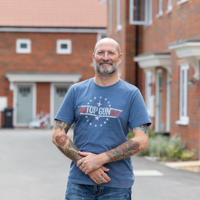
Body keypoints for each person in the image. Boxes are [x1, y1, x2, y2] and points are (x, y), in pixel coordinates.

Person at [52, 37, 151, 200]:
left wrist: (100, 160)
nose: (105, 57)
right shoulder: (76, 91)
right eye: (101, 52)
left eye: (111, 53)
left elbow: (141, 140)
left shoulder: (132, 94)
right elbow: (57, 135)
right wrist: (86, 165)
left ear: (119, 57)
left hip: (116, 185)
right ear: (93, 57)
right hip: (79, 184)